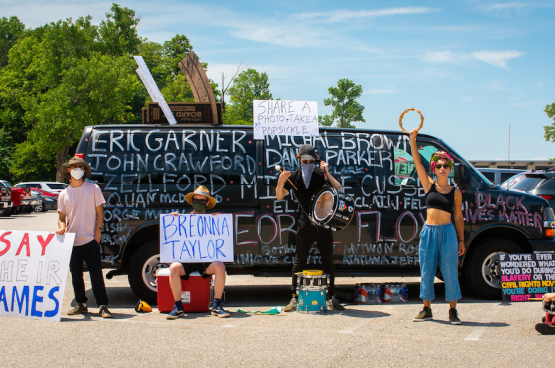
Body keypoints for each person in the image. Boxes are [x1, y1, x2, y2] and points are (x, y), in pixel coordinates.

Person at [276, 144, 345, 312]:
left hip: (323, 224)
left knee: (328, 261)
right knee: (299, 261)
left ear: (315, 160)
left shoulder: (322, 175)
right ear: (299, 159)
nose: (308, 163)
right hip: (304, 224)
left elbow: (339, 189)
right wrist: (281, 181)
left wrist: (327, 172)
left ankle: (331, 297)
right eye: (305, 160)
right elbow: (279, 196)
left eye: (311, 160)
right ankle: (294, 297)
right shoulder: (293, 176)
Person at [408, 130, 465, 324]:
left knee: (450, 271)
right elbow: (417, 162)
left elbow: (458, 216)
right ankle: (426, 309)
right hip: (429, 232)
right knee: (427, 271)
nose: (442, 168)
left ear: (450, 169)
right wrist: (412, 140)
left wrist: (461, 240)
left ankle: (453, 311)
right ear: (434, 168)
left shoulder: (456, 192)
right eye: (439, 166)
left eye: (445, 166)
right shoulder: (429, 185)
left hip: (448, 232)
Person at [55, 156, 112, 318]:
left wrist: (97, 235)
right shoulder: (63, 194)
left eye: (80, 166)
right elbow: (61, 217)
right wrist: (62, 228)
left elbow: (100, 213)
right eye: (74, 167)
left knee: (96, 274)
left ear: (84, 170)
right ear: (69, 170)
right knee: (76, 275)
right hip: (72, 241)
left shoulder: (93, 189)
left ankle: (102, 305)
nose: (77, 169)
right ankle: (81, 304)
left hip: (90, 240)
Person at [167, 185, 230, 319]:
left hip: (205, 262)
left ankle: (217, 306)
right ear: (192, 202)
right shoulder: (182, 219)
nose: (198, 204)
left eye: (202, 201)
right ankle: (178, 306)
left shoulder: (211, 219)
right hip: (186, 261)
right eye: (196, 201)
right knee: (173, 268)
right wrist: (172, 219)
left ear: (207, 203)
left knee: (220, 266)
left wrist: (218, 221)